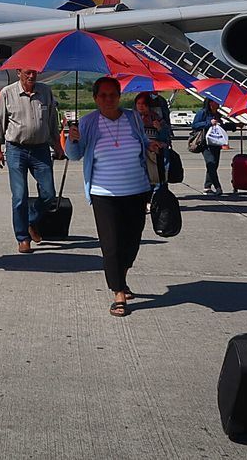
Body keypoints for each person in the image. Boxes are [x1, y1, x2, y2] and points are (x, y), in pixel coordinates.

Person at [65, 76, 162, 317]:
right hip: (104, 193)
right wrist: (72, 139)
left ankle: (122, 274)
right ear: (96, 98)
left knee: (132, 242)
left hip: (136, 189)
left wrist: (150, 145)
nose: (109, 99)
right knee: (111, 245)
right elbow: (74, 155)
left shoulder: (131, 118)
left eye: (113, 95)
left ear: (120, 96)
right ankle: (118, 292)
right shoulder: (88, 122)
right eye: (103, 95)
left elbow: (141, 141)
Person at [0, 68, 65, 253]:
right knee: (19, 196)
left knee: (49, 194)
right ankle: (22, 238)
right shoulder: (7, 92)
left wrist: (57, 144)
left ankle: (31, 220)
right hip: (16, 149)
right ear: (19, 73)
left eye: (34, 72)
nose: (31, 76)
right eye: (27, 73)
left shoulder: (45, 91)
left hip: (40, 149)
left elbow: (51, 121)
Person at [134, 92, 172, 184]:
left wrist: (159, 128)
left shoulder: (155, 117)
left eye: (143, 104)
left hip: (156, 152)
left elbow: (166, 135)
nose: (140, 106)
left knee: (157, 178)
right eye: (138, 104)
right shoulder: (133, 118)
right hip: (140, 152)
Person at [192, 98, 225, 195]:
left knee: (214, 165)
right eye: (216, 102)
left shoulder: (217, 115)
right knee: (211, 163)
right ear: (211, 103)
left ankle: (207, 186)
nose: (219, 103)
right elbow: (195, 125)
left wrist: (235, 126)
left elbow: (221, 127)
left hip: (216, 143)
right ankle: (218, 187)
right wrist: (208, 123)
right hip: (205, 144)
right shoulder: (202, 113)